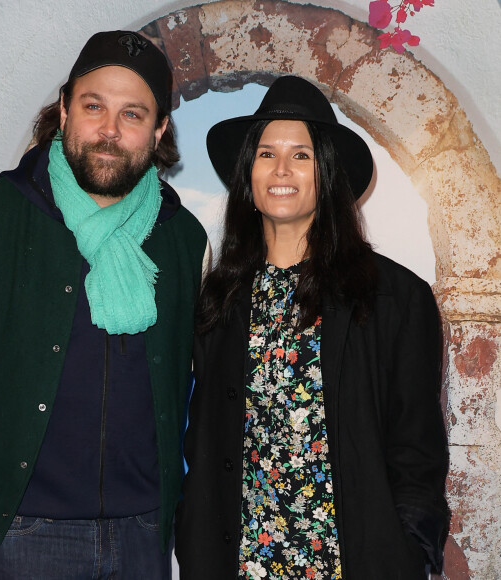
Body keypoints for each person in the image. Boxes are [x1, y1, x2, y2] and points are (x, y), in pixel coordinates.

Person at [0, 30, 208, 579]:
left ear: (160, 128)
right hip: (28, 529)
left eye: (133, 114)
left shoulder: (186, 239)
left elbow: (195, 372)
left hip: (146, 531)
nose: (109, 130)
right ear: (64, 109)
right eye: (93, 106)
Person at [175, 75, 449, 579]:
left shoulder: (395, 299)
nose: (282, 169)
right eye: (265, 154)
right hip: (240, 564)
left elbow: (417, 452)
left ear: (326, 172)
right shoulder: (219, 298)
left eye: (300, 155)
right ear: (248, 174)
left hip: (355, 564)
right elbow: (200, 439)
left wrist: (411, 550)